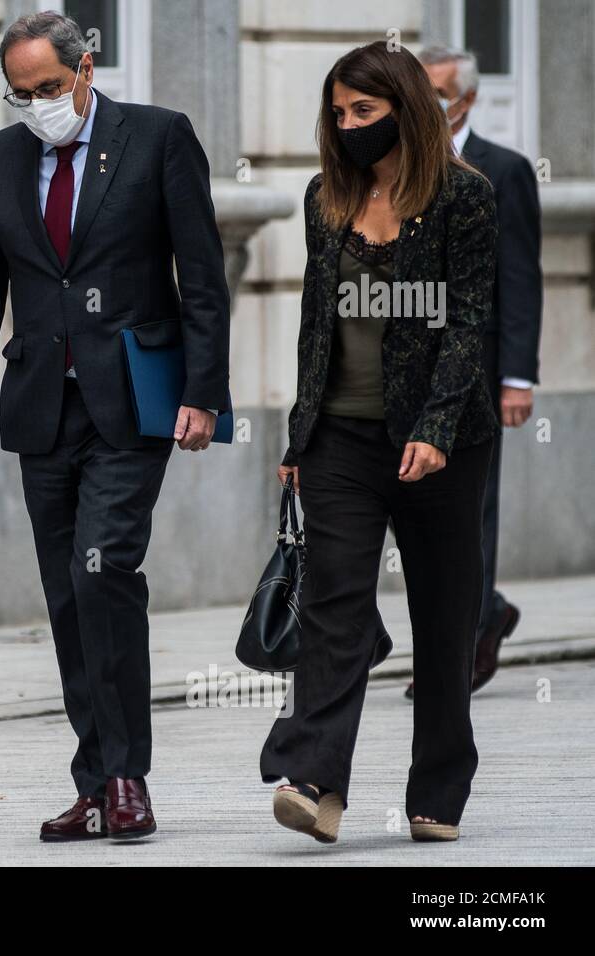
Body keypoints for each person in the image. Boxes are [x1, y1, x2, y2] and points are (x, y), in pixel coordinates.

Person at [0, 12, 230, 842]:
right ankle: (95, 779)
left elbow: (202, 277)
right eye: (20, 94)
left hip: (132, 401)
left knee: (105, 570)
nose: (37, 106)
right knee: (67, 592)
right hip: (40, 405)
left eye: (49, 88)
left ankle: (128, 775)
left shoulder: (158, 138)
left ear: (86, 68)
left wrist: (204, 390)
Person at [261, 41, 497, 844]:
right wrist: (300, 433)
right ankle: (315, 779)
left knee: (443, 614)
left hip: (444, 444)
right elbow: (314, 326)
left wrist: (434, 428)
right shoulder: (323, 197)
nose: (350, 125)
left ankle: (438, 791)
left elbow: (469, 323)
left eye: (365, 110)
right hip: (341, 439)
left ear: (403, 105)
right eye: (339, 113)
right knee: (333, 603)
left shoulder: (465, 199)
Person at [403, 46, 543, 699]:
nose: (425, 102)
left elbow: (519, 276)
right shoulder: (392, 166)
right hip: (406, 368)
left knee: (469, 505)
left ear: (468, 99)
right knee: (413, 507)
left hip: (478, 367)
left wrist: (517, 375)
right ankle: (483, 612)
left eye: (437, 91)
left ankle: (458, 649)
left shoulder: (505, 170)